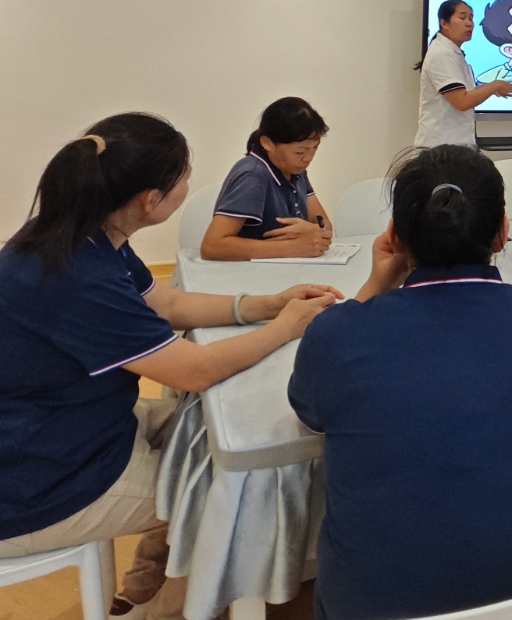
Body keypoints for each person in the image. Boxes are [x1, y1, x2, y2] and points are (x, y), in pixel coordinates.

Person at [0, 114, 336, 620]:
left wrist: (269, 304)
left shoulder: (83, 234)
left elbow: (169, 306)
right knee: (236, 503)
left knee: (210, 434)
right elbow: (194, 370)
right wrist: (286, 326)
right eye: (183, 177)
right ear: (150, 200)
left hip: (69, 429)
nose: (189, 185)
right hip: (38, 479)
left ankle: (138, 591)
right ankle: (162, 612)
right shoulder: (77, 274)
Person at [289, 145, 512, 620]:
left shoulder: (336, 336)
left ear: (394, 237)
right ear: (502, 233)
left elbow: (312, 420)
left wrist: (376, 284)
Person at [202, 97, 334, 260]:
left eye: (315, 148)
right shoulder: (253, 175)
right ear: (267, 143)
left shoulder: (296, 169)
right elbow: (212, 246)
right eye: (300, 152)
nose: (308, 158)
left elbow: (324, 224)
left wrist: (314, 231)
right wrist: (292, 247)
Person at [414, 0, 512, 149]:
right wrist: (494, 85)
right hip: (441, 148)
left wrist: (489, 89)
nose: (469, 23)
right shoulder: (442, 53)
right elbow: (462, 102)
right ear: (443, 23)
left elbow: (462, 93)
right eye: (462, 17)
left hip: (455, 146)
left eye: (471, 18)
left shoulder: (453, 52)